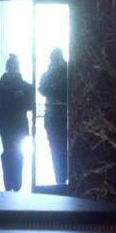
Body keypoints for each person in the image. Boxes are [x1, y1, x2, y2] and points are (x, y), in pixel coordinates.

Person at [0, 54, 35, 192]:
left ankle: (12, 183)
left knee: (12, 153)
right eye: (11, 67)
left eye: (14, 67)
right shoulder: (24, 86)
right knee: (12, 153)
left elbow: (30, 105)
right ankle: (12, 183)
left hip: (11, 124)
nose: (13, 70)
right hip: (11, 124)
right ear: (7, 68)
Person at [38, 47, 68, 185]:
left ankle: (63, 177)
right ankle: (60, 178)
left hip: (64, 116)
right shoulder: (48, 74)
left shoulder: (67, 72)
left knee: (63, 149)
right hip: (53, 116)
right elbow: (42, 89)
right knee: (56, 149)